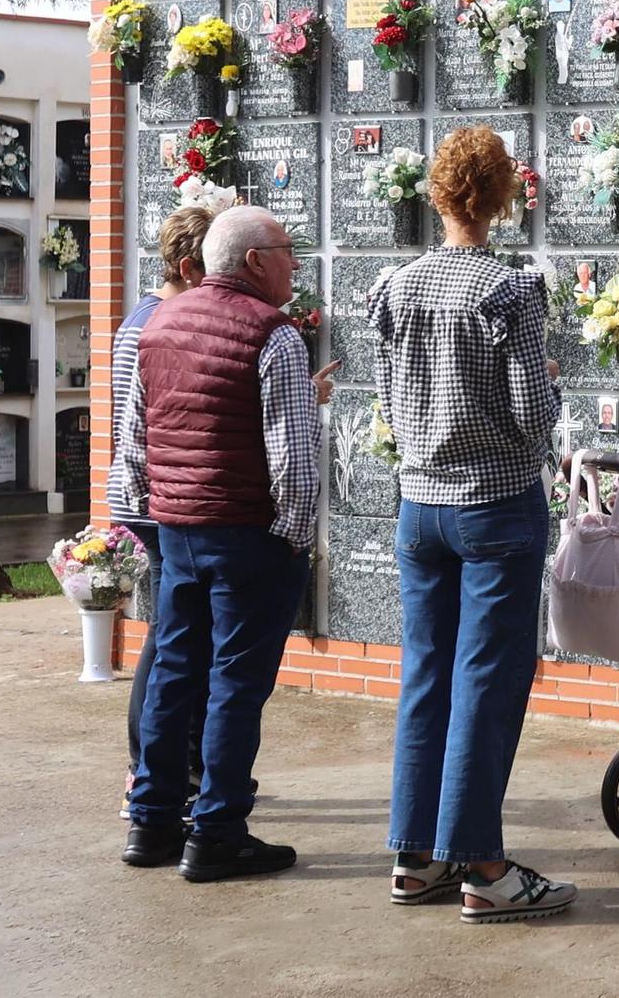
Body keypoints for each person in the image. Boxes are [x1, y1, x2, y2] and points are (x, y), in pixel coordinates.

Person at [368, 127, 574, 923]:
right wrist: (548, 391)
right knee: (486, 683)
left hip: (419, 506)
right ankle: (484, 866)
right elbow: (530, 415)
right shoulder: (510, 290)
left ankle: (415, 859)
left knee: (425, 677)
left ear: (440, 193)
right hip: (493, 505)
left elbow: (387, 400)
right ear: (502, 198)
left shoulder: (395, 284)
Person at [116, 205, 333, 882]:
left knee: (176, 673)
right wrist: (292, 542)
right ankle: (216, 831)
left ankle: (151, 822)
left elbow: (134, 443)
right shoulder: (274, 335)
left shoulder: (158, 323)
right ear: (253, 261)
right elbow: (296, 460)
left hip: (178, 532)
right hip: (248, 537)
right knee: (235, 685)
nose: (295, 263)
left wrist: (165, 511)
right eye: (287, 250)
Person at [114, 207, 215, 819]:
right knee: (169, 640)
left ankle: (174, 767)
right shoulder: (159, 320)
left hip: (154, 493)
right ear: (188, 267)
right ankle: (147, 770)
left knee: (174, 636)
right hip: (159, 498)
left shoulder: (145, 314)